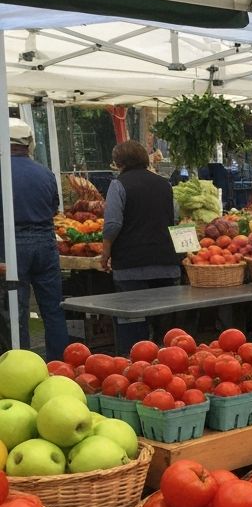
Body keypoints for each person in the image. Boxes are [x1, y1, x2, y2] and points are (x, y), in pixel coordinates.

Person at [100, 140, 181, 352]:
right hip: (166, 262)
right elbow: (176, 217)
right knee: (164, 322)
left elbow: (112, 224)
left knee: (132, 321)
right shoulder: (165, 184)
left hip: (130, 265)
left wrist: (105, 252)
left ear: (119, 162)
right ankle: (169, 363)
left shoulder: (118, 185)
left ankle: (133, 363)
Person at [0, 119, 69, 360]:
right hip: (45, 242)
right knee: (53, 309)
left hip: (11, 243)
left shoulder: (2, 171)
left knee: (16, 310)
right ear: (29, 143)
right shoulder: (45, 172)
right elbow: (53, 208)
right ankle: (60, 363)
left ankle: (22, 363)